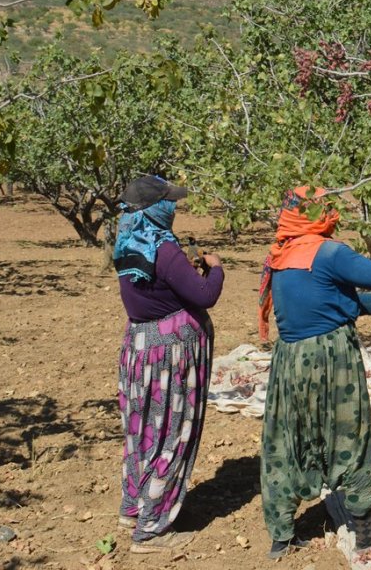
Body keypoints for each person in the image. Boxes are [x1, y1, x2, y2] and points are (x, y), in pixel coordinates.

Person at [257, 185, 371, 559]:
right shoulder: (328, 252)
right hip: (331, 358)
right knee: (350, 436)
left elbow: (323, 300)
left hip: (290, 360)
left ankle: (282, 535)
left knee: (289, 439)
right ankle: (367, 534)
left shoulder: (281, 251)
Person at [113, 175, 224, 553]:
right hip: (170, 357)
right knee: (171, 432)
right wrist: (217, 267)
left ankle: (134, 505)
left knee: (143, 430)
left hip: (141, 348)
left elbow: (159, 289)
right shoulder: (164, 250)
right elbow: (204, 295)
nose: (174, 208)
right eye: (169, 202)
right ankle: (152, 527)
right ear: (154, 208)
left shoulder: (127, 243)